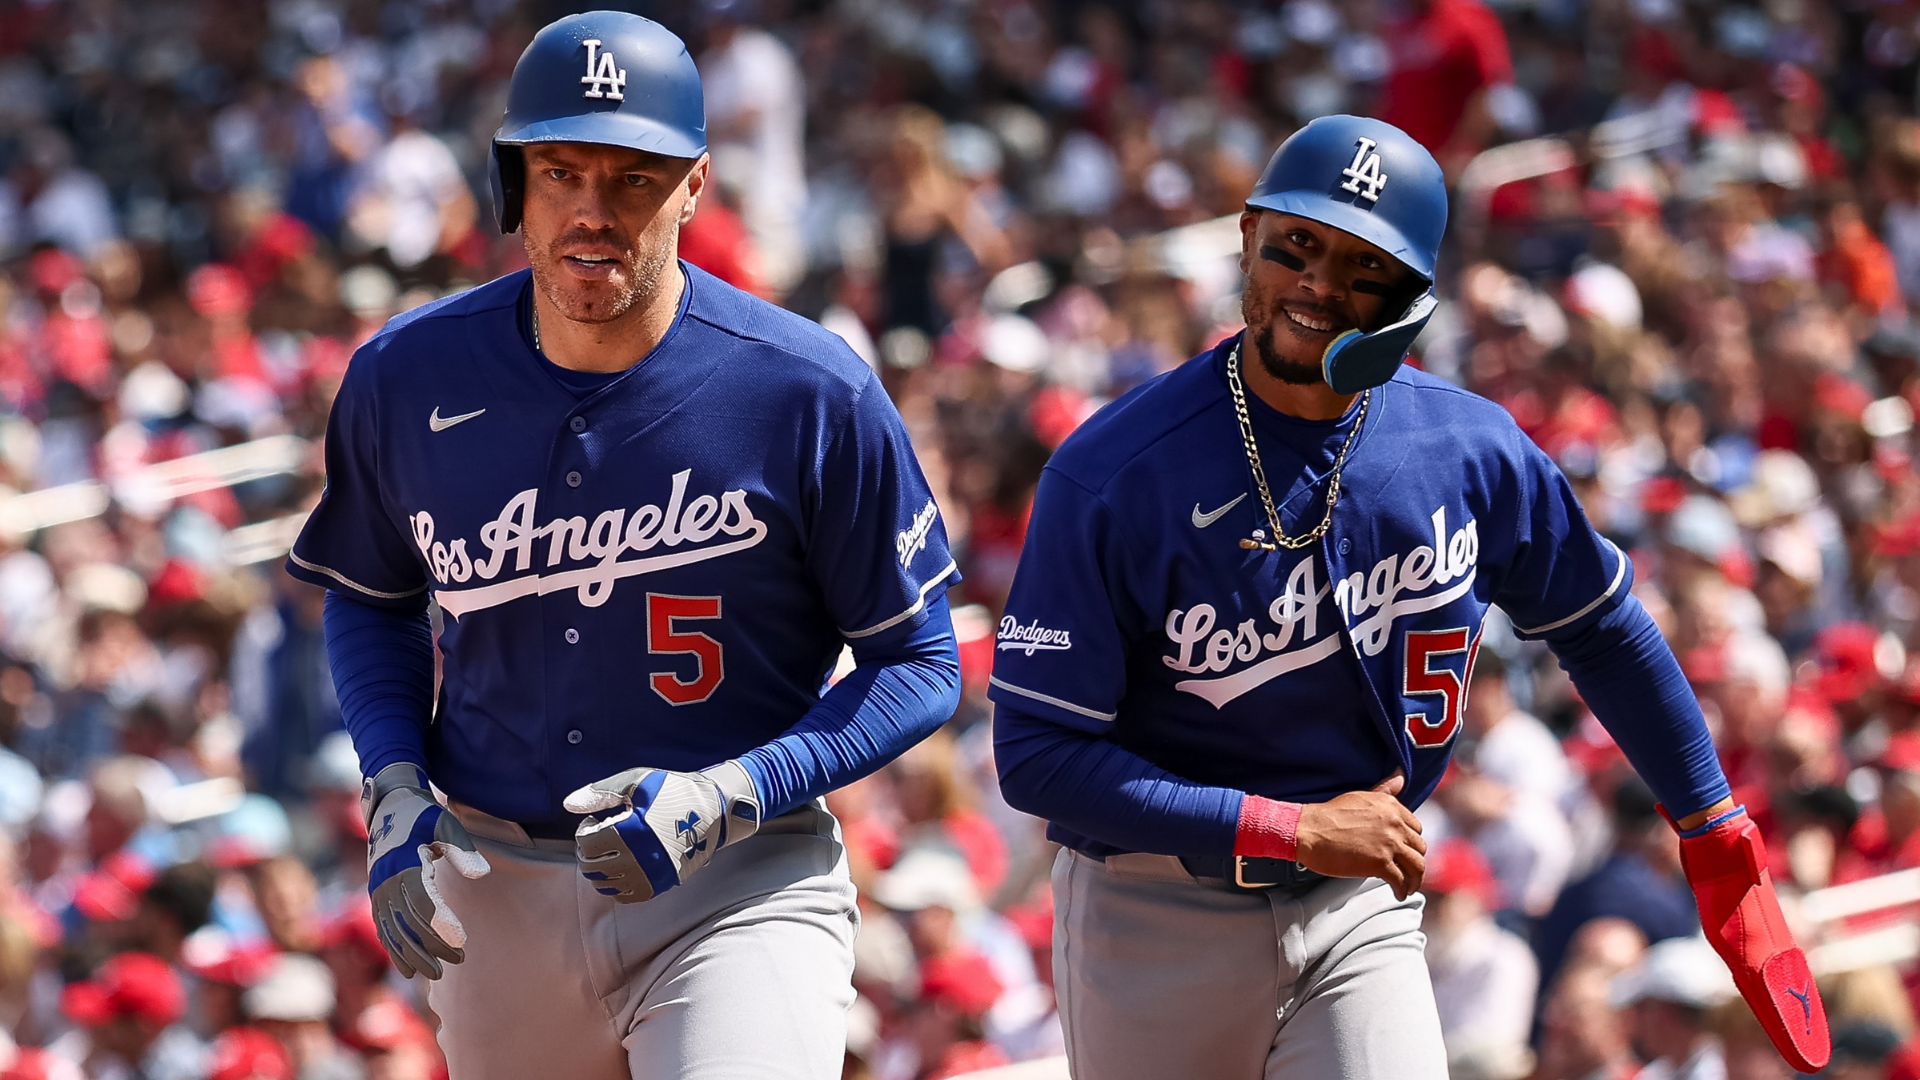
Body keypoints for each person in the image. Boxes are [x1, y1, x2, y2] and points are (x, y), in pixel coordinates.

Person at [989, 115, 1828, 1079]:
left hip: (1361, 903)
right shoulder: (1113, 472)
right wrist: (1292, 826)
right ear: (1248, 235)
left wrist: (1714, 825)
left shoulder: (1467, 448)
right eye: (1296, 246)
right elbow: (1038, 758)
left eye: (1362, 267)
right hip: (1155, 906)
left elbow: (1603, 630)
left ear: (1411, 302)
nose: (1318, 284)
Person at [283, 13, 961, 1080]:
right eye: (561, 172)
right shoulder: (405, 378)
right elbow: (372, 597)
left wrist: (742, 785)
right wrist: (394, 781)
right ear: (515, 181)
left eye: (634, 179)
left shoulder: (808, 388)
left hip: (739, 875)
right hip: (496, 883)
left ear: (696, 184)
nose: (593, 213)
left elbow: (921, 661)